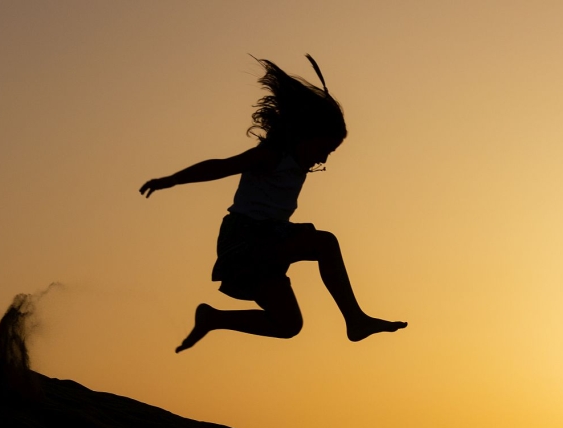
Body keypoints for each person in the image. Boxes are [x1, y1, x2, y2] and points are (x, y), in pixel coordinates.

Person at [139, 55, 406, 353]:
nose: (324, 159)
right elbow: (221, 166)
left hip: (271, 241)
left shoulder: (297, 163)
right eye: (324, 149)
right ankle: (355, 320)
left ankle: (213, 318)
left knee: (288, 325)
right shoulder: (272, 155)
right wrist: (171, 180)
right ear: (304, 136)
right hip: (246, 240)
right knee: (324, 243)